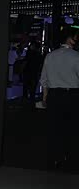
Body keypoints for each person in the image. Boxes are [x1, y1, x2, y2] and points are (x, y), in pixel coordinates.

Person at [40, 29, 79, 170]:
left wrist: (45, 97)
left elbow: (44, 80)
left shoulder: (50, 56)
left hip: (54, 95)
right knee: (71, 127)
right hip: (72, 95)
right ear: (69, 39)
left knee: (54, 127)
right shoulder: (76, 56)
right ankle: (69, 157)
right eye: (75, 38)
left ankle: (54, 157)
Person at [21, 41, 43, 106]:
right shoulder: (40, 55)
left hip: (27, 72)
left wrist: (21, 69)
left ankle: (25, 101)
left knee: (25, 87)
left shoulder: (29, 53)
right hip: (35, 73)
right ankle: (31, 102)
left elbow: (25, 62)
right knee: (33, 89)